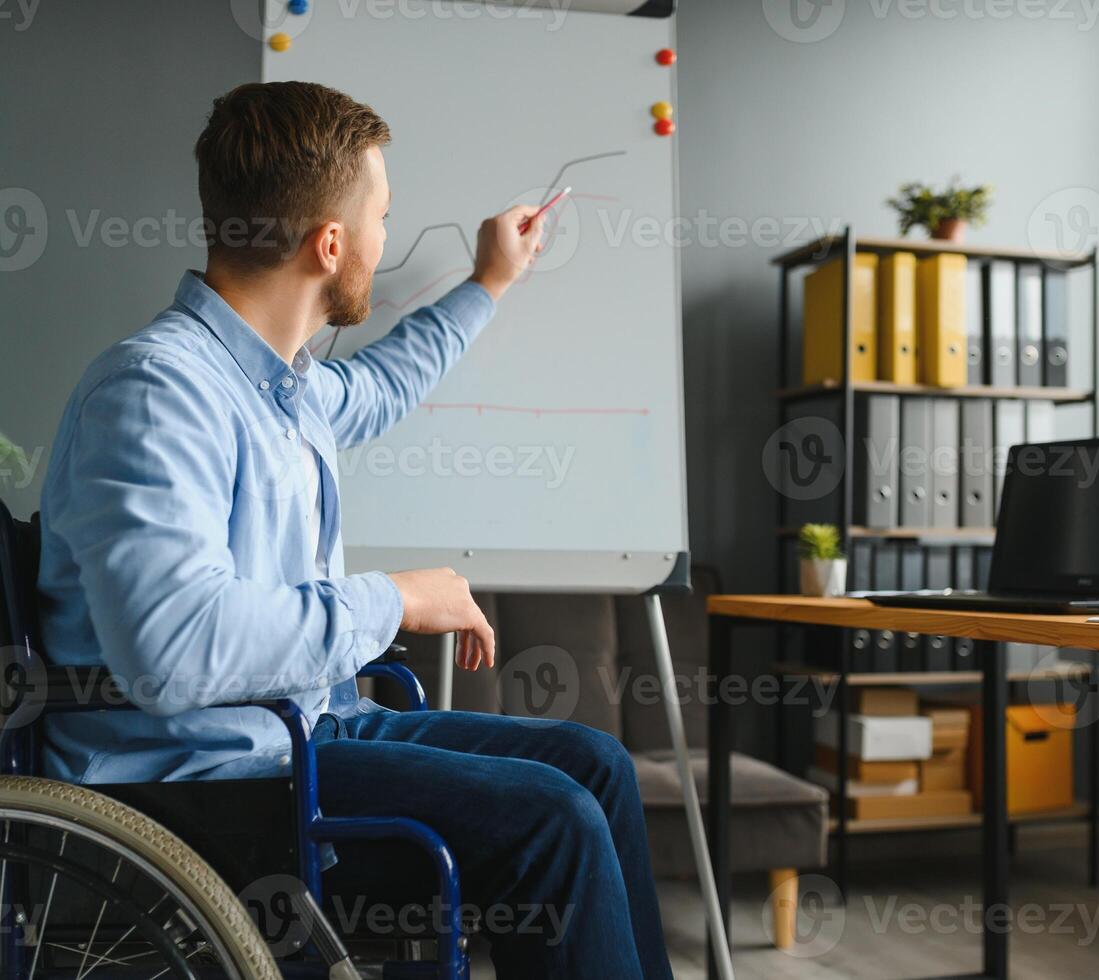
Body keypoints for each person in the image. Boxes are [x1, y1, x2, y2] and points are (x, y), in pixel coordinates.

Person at [38, 80, 672, 979]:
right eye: (382, 214)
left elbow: (382, 384)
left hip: (304, 732)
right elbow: (172, 652)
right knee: (552, 817)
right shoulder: (156, 392)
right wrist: (395, 599)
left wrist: (490, 281)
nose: (386, 236)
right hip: (202, 783)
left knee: (596, 766)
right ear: (328, 245)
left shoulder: (278, 387)